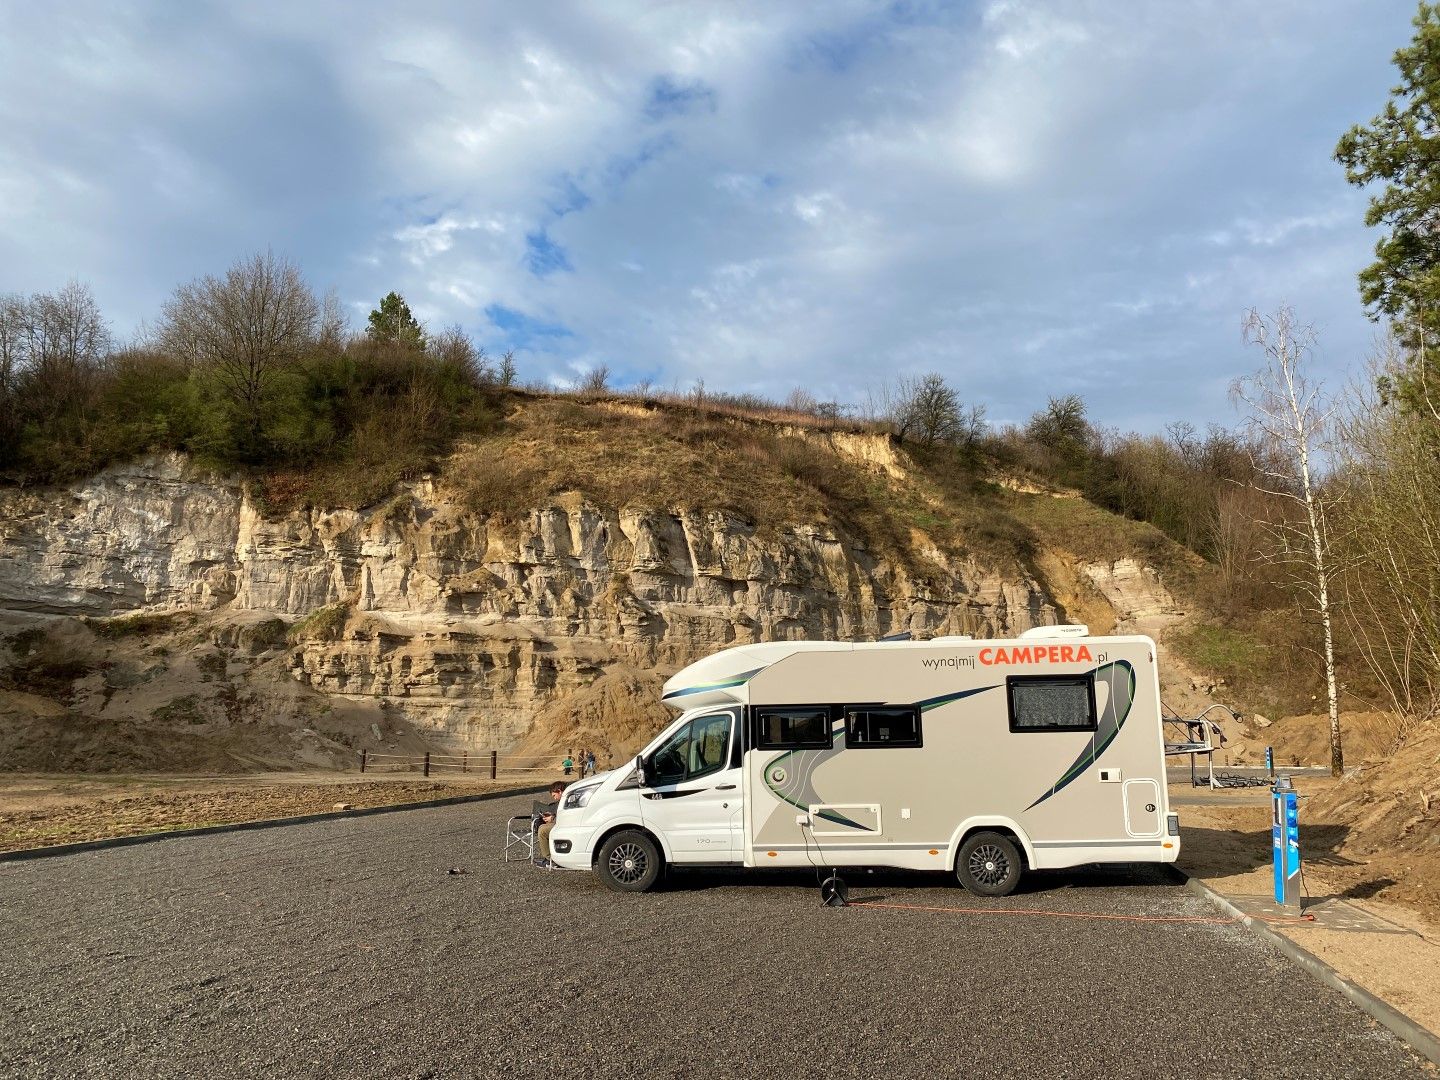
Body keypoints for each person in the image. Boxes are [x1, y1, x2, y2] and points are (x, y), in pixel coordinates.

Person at [532, 781, 565, 868]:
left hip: (566, 825)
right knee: (543, 827)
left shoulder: (566, 799)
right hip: (563, 824)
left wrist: (553, 818)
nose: (554, 798)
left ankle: (550, 859)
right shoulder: (566, 798)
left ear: (559, 791)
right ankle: (550, 857)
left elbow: (567, 815)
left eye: (554, 795)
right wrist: (552, 816)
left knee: (542, 830)